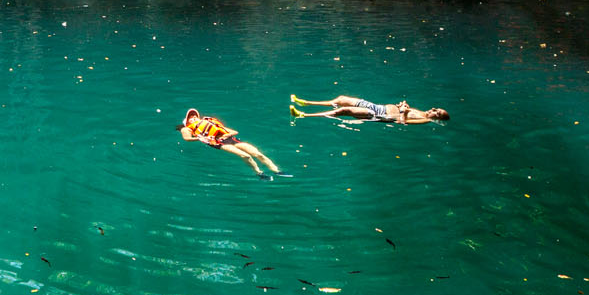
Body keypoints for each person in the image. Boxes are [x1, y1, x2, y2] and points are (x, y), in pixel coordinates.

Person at [178, 108, 281, 176]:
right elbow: (187, 138)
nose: (193, 117)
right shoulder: (187, 129)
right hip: (217, 142)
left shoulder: (211, 124)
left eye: (194, 116)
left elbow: (234, 132)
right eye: (190, 118)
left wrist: (225, 134)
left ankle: (277, 171)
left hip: (229, 139)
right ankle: (259, 173)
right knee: (246, 156)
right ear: (187, 123)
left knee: (257, 153)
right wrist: (201, 138)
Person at [289, 93, 449, 124]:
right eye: (436, 108)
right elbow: (402, 110)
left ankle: (303, 115)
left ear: (438, 119)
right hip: (377, 106)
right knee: (341, 99)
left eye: (437, 112)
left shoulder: (424, 120)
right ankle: (307, 103)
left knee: (344, 111)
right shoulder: (422, 112)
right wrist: (402, 106)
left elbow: (401, 121)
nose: (434, 109)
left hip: (378, 115)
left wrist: (403, 111)